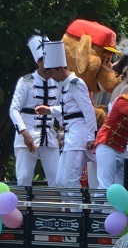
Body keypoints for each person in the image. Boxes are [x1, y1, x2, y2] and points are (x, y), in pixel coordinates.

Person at [33, 40, 97, 190]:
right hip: (69, 138)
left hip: (78, 137)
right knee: (61, 181)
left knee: (70, 181)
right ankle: (76, 211)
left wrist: (91, 136)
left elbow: (88, 111)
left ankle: (78, 212)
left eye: (52, 73)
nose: (51, 77)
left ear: (61, 68)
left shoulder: (76, 83)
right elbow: (69, 111)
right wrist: (49, 110)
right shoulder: (64, 86)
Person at [9, 34, 60, 186]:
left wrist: (63, 130)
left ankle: (61, 210)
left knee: (58, 180)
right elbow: (14, 109)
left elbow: (61, 109)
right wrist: (24, 133)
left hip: (49, 138)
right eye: (45, 60)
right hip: (27, 138)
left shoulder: (57, 83)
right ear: (38, 61)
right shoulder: (26, 81)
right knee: (24, 179)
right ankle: (22, 210)